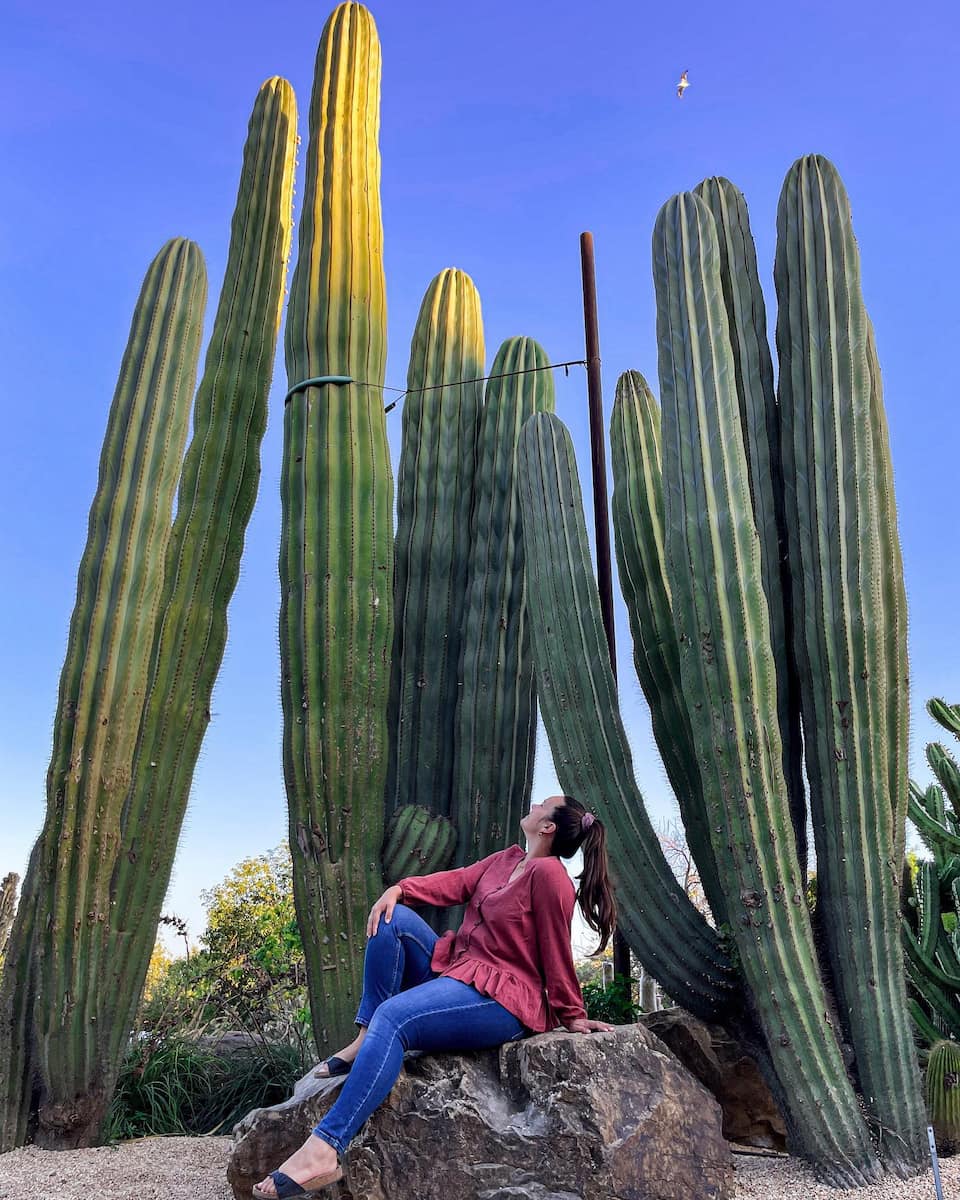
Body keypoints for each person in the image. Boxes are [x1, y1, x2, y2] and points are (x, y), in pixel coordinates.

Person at [253, 794, 618, 1199]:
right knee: (393, 920)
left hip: (503, 998)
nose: (533, 805)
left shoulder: (550, 876)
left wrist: (572, 1013)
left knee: (394, 1019)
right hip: (459, 968)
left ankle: (324, 1149)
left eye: (542, 805)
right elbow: (456, 882)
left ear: (548, 827)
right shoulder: (506, 859)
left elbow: (555, 947)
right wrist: (399, 890)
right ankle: (363, 1039)